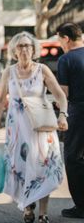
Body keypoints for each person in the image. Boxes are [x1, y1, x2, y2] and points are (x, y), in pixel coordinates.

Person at [0, 31, 68, 223]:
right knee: (21, 167)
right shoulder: (9, 72)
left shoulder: (42, 70)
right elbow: (0, 100)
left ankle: (43, 213)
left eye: (27, 46)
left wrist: (63, 115)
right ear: (14, 51)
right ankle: (27, 207)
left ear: (34, 49)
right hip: (17, 130)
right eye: (20, 46)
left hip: (41, 129)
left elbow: (60, 95)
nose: (24, 49)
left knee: (43, 169)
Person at [56, 22, 84, 219]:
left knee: (73, 158)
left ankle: (81, 206)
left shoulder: (66, 59)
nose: (60, 44)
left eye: (59, 40)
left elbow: (63, 93)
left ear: (66, 38)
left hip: (78, 112)